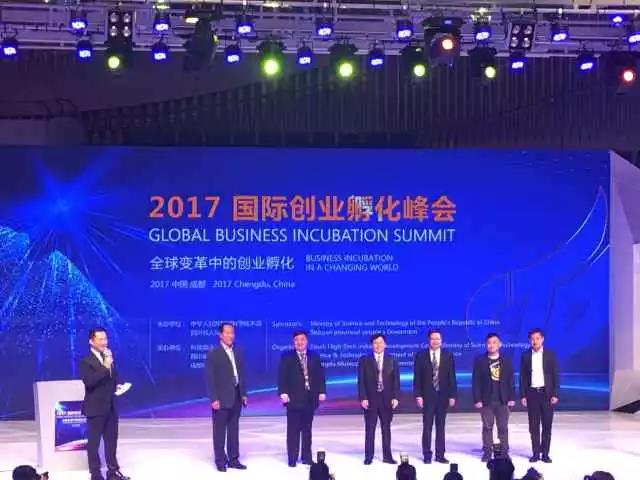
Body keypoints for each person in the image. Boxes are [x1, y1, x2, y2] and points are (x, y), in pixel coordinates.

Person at [79, 327, 129, 480]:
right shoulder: (86, 361)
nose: (104, 342)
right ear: (91, 341)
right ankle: (95, 473)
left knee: (111, 441)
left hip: (111, 406)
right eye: (100, 339)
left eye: (105, 338)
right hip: (95, 407)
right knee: (94, 442)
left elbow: (112, 377)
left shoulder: (108, 357)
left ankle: (113, 471)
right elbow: (90, 382)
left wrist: (118, 385)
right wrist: (105, 366)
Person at [278, 330, 327, 467]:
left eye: (302, 340)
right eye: (297, 340)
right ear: (293, 342)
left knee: (307, 430)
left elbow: (320, 376)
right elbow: (282, 376)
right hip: (293, 399)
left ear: (307, 341)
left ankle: (306, 457)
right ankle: (292, 458)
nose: (299, 342)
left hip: (310, 399)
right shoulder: (287, 357)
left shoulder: (314, 357)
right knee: (293, 431)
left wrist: (322, 391)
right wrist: (283, 392)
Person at [205, 322, 248, 472]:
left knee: (233, 429)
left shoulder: (238, 352)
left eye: (232, 333)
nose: (230, 336)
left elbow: (241, 374)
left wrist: (243, 394)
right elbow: (210, 378)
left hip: (236, 396)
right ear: (220, 335)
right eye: (227, 333)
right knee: (219, 431)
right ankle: (220, 461)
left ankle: (234, 459)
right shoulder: (213, 353)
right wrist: (214, 398)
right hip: (221, 398)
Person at [413, 328, 458, 464]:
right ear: (429, 340)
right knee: (427, 427)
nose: (435, 341)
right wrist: (418, 395)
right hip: (427, 397)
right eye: (433, 339)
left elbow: (452, 377)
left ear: (441, 340)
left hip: (443, 396)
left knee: (441, 426)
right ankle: (427, 454)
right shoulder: (421, 355)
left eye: (438, 339)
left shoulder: (448, 355)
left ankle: (440, 454)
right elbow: (417, 377)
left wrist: (452, 395)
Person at [472, 333, 516, 462]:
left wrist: (512, 397)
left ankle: (504, 452)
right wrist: (477, 399)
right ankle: (487, 451)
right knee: (487, 427)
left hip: (503, 400)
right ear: (486, 345)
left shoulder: (506, 361)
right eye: (489, 343)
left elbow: (511, 380)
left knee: (503, 428)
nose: (491, 345)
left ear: (499, 344)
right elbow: (476, 382)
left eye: (494, 342)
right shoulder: (480, 361)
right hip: (486, 401)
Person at [357, 333, 400, 465]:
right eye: (375, 343)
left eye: (380, 342)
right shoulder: (364, 360)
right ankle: (368, 456)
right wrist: (363, 398)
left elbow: (396, 381)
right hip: (370, 399)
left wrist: (395, 397)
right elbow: (361, 381)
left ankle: (387, 456)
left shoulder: (392, 360)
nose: (378, 345)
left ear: (385, 344)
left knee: (386, 429)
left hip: (387, 400)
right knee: (370, 429)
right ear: (372, 345)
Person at [520, 328, 559, 464]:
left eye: (537, 338)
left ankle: (545, 454)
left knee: (547, 426)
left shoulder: (550, 355)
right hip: (532, 394)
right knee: (534, 426)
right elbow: (523, 377)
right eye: (532, 339)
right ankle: (536, 453)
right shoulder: (525, 356)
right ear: (529, 341)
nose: (535, 341)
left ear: (542, 339)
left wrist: (555, 394)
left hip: (546, 394)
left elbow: (555, 375)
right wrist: (523, 395)